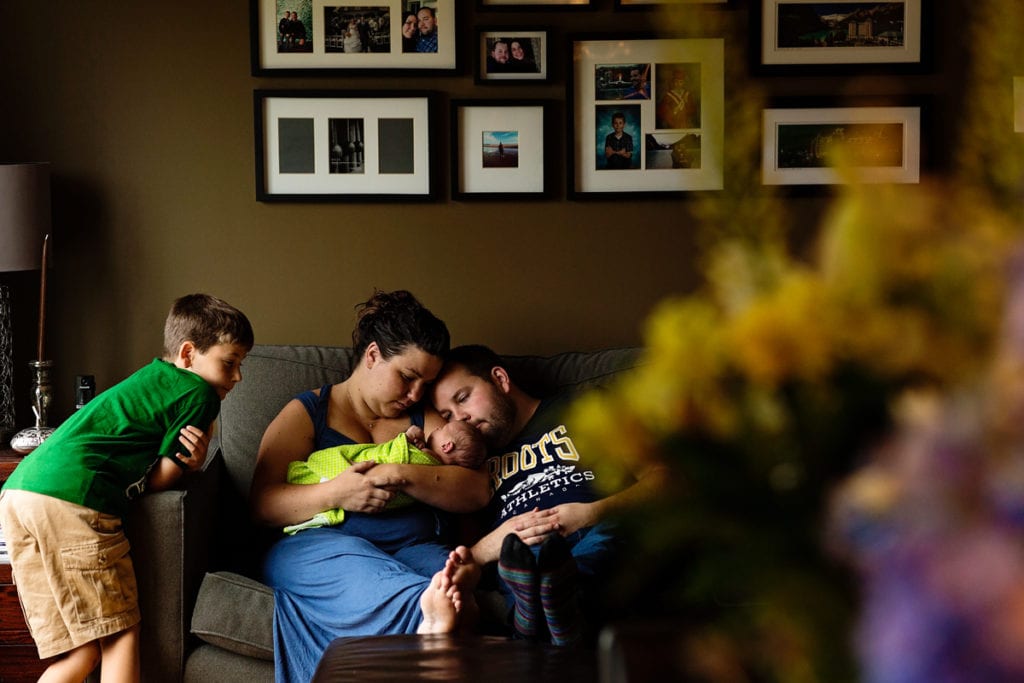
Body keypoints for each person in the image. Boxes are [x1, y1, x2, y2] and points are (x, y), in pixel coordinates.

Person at [0, 293, 254, 683]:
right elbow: (165, 479)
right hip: (74, 497)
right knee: (120, 635)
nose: (237, 377)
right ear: (188, 354)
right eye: (230, 363)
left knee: (80, 652)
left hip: (20, 491)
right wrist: (193, 464)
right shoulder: (200, 393)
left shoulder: (151, 377)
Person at [251, 289, 490, 683]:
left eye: (425, 384)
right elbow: (262, 504)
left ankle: (432, 620)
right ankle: (424, 618)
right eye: (408, 377)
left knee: (459, 601)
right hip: (322, 549)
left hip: (414, 549)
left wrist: (397, 473)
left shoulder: (422, 417)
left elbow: (475, 490)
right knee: (421, 599)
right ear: (373, 355)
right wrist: (337, 493)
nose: (416, 394)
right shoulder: (308, 413)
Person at [432, 345, 667, 646]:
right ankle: (543, 612)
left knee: (604, 543)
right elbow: (466, 554)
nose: (460, 419)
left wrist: (590, 513)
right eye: (447, 415)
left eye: (463, 398)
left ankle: (557, 603)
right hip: (523, 557)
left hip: (599, 527)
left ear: (500, 379)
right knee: (518, 563)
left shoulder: (584, 407)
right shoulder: (468, 470)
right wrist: (502, 537)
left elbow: (665, 477)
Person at [283, 420, 486, 534]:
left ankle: (317, 477)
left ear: (447, 446)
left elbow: (392, 458)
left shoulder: (422, 459)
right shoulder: (425, 456)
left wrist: (404, 440)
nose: (437, 427)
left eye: (442, 429)